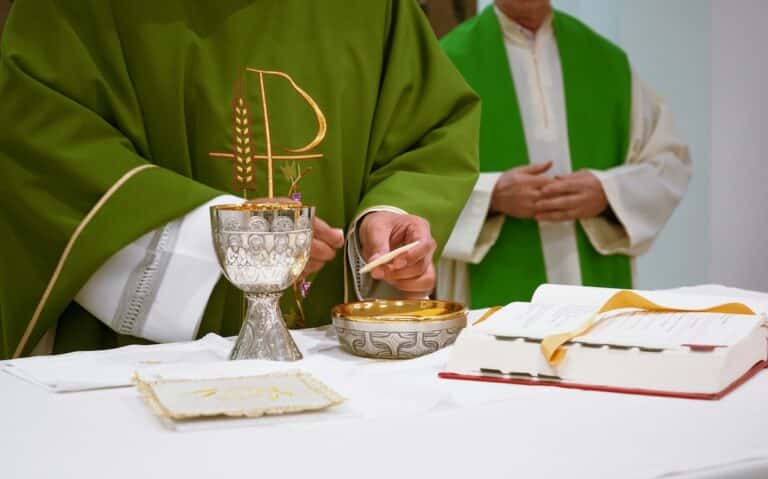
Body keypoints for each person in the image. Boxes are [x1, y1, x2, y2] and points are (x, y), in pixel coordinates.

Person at [0, 0, 480, 358]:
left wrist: (386, 219)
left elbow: (428, 130)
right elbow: (40, 145)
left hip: (332, 354)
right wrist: (213, 235)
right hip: (146, 365)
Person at [437, 0, 692, 308]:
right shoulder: (448, 62)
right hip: (490, 283)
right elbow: (414, 179)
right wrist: (491, 195)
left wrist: (607, 191)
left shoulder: (604, 59)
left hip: (593, 284)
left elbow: (670, 162)